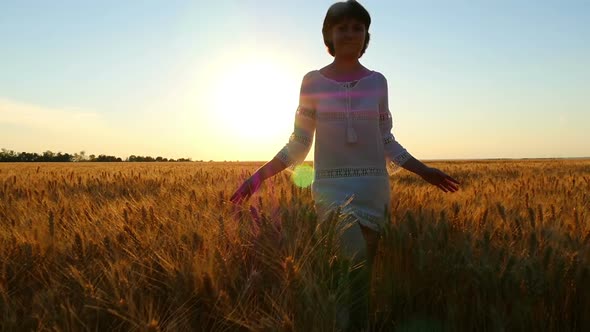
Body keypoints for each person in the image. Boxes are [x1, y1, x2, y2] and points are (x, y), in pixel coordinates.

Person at [231, 0, 460, 330]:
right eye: (342, 28)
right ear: (328, 35)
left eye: (358, 27)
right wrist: (258, 177)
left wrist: (424, 170)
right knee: (348, 267)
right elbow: (298, 145)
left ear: (367, 35)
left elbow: (386, 139)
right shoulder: (312, 81)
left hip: (373, 189)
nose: (350, 33)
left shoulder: (378, 82)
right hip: (331, 191)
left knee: (360, 277)